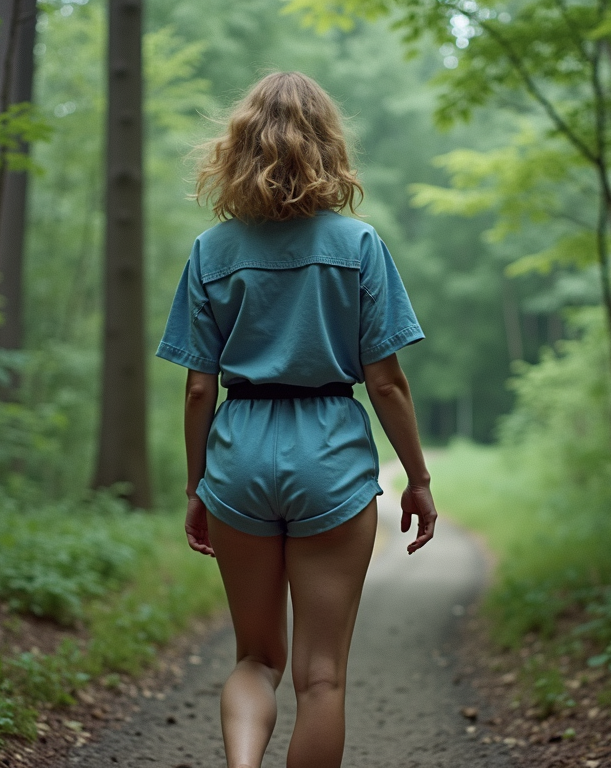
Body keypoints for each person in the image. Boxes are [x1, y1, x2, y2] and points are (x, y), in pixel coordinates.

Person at [156, 71, 438, 768]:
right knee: (322, 676)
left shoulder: (211, 251)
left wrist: (198, 486)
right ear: (326, 147)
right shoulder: (359, 244)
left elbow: (198, 389)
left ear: (238, 147)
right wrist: (419, 479)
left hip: (239, 452)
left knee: (255, 657)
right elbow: (387, 381)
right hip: (331, 456)